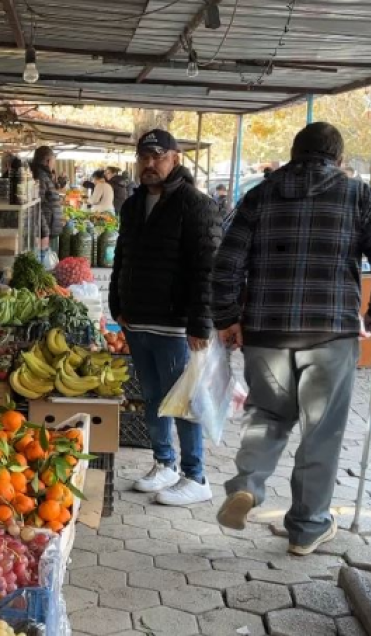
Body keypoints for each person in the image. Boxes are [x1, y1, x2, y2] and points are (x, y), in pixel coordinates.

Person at [212, 122, 371, 555]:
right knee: (322, 432)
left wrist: (227, 317)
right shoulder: (359, 196)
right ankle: (307, 528)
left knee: (268, 415)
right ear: (338, 159)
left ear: (293, 153)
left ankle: (246, 485)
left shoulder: (259, 195)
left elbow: (226, 263)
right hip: (330, 335)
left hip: (266, 332)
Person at [109, 129, 222, 506]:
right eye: (144, 157)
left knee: (185, 401)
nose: (150, 164)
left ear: (175, 158)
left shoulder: (196, 205)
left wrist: (200, 323)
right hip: (139, 320)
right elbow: (122, 256)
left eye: (158, 156)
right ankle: (165, 464)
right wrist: (116, 302)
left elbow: (207, 268)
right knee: (154, 397)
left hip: (175, 326)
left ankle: (196, 475)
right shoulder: (132, 204)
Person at [31, 146, 64, 254]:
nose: (53, 165)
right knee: (44, 264)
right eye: (53, 161)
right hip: (45, 232)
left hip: (49, 228)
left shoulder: (44, 175)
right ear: (48, 161)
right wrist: (44, 232)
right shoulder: (40, 176)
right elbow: (36, 206)